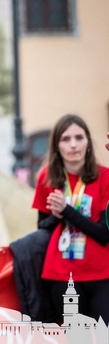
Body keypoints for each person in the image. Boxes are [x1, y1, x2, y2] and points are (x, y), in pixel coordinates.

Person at [31, 114, 109, 323]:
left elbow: (104, 234)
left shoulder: (105, 176)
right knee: (75, 337)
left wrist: (66, 210)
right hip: (61, 274)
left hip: (102, 273)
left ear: (88, 143)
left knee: (105, 335)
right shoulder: (46, 177)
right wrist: (57, 216)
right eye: (65, 139)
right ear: (57, 146)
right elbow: (42, 228)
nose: (73, 145)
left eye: (79, 137)